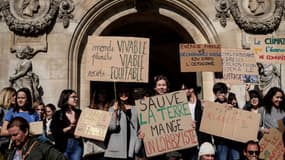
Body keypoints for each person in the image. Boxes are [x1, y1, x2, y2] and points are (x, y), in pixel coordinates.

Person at [104, 85, 142, 160]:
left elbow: (139, 127)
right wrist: (115, 111)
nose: (124, 94)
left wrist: (140, 137)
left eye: (126, 91)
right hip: (117, 150)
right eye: (121, 92)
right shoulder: (112, 108)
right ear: (117, 94)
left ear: (129, 93)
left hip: (131, 149)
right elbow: (112, 127)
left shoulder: (136, 108)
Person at [180, 81, 212, 160]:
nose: (182, 92)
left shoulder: (202, 104)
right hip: (189, 140)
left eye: (184, 89)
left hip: (201, 139)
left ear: (191, 89)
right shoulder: (182, 106)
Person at [50, 89, 83, 160]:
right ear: (66, 98)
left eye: (76, 97)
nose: (76, 99)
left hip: (77, 145)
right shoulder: (58, 114)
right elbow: (54, 131)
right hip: (63, 146)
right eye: (73, 97)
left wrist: (80, 134)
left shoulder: (79, 112)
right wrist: (68, 128)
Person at [212, 82, 240, 160]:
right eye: (220, 93)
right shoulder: (212, 106)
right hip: (221, 142)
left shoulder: (231, 103)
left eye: (224, 93)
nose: (223, 95)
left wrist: (232, 109)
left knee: (236, 158)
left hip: (233, 141)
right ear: (215, 94)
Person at [83, 88, 112, 160]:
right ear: (97, 95)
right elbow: (83, 128)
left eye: (105, 93)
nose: (104, 95)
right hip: (93, 146)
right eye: (101, 93)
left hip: (107, 144)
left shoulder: (110, 109)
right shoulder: (89, 109)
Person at [0, 87, 16, 159]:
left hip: (11, 144)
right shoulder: (1, 109)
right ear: (6, 96)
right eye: (13, 95)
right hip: (2, 144)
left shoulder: (13, 110)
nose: (15, 97)